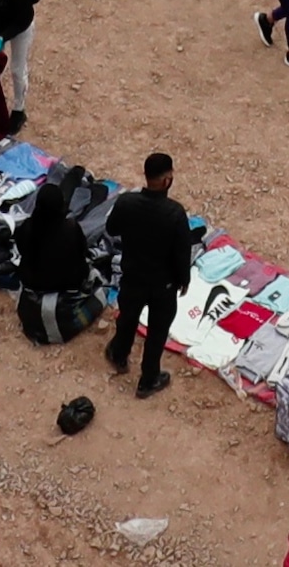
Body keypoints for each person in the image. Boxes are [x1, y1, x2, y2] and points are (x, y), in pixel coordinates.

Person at [103, 149, 198, 397]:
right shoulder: (175, 214)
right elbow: (181, 253)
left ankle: (119, 354)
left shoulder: (126, 203)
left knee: (127, 318)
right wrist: (183, 280)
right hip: (162, 286)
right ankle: (148, 379)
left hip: (133, 276)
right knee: (157, 333)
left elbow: (112, 229)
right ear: (167, 180)